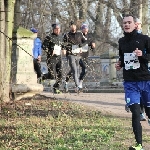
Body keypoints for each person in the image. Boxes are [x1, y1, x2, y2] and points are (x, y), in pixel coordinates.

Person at [115, 14, 150, 150]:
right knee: (136, 112)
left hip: (145, 81)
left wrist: (143, 55)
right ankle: (139, 145)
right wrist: (119, 64)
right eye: (125, 23)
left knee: (149, 112)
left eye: (129, 22)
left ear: (136, 24)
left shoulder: (145, 39)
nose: (127, 25)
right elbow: (123, 58)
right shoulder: (121, 41)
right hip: (130, 83)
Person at [125, 18, 147, 121]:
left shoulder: (145, 38)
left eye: (138, 24)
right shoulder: (126, 39)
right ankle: (137, 109)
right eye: (136, 24)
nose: (137, 26)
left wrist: (143, 55)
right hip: (132, 73)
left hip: (145, 70)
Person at [63, 21, 86, 92]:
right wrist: (63, 49)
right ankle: (78, 86)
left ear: (76, 27)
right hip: (70, 54)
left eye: (74, 26)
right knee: (75, 70)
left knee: (75, 70)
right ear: (70, 27)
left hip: (78, 54)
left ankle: (65, 81)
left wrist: (81, 47)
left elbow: (84, 42)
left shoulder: (79, 34)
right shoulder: (66, 35)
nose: (73, 27)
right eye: (71, 26)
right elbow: (63, 44)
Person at [42, 23, 64, 94]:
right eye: (56, 29)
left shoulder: (61, 37)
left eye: (58, 29)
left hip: (58, 58)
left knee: (60, 74)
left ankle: (56, 88)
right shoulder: (49, 37)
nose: (57, 30)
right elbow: (43, 46)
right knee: (52, 75)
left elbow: (63, 45)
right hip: (51, 58)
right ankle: (43, 77)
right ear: (53, 30)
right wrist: (50, 51)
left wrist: (64, 50)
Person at [78, 24, 95, 89]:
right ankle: (67, 82)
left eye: (86, 28)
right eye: (84, 28)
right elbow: (79, 44)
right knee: (79, 69)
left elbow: (92, 46)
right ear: (81, 29)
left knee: (85, 70)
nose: (85, 29)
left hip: (86, 56)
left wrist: (93, 46)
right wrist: (86, 42)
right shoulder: (79, 36)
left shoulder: (89, 36)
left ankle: (80, 83)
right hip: (79, 56)